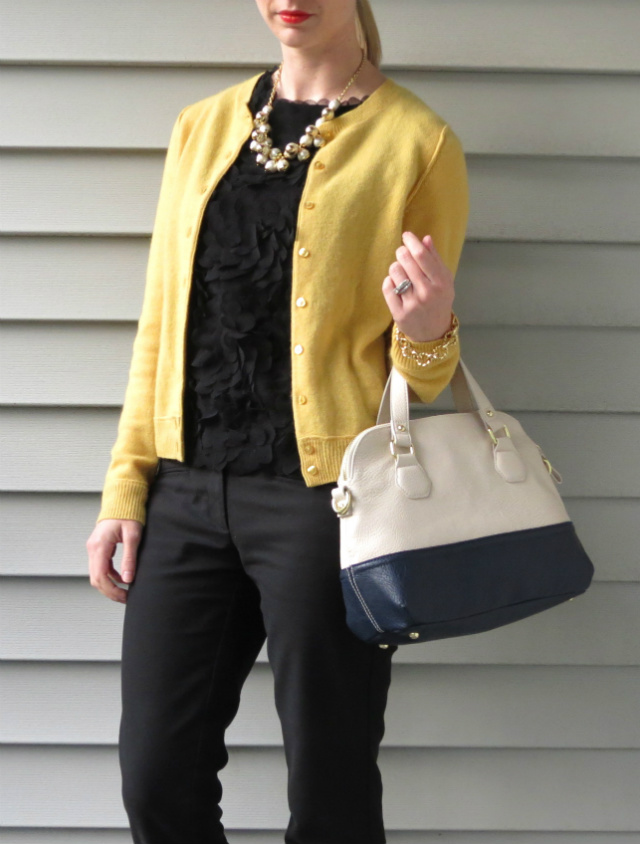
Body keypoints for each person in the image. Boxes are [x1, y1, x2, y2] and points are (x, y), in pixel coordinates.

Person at [86, 1, 469, 841]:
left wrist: (431, 328)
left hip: (326, 505)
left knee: (331, 785)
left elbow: (422, 387)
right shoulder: (202, 127)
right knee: (156, 774)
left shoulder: (417, 142)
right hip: (185, 495)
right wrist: (126, 487)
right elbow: (161, 325)